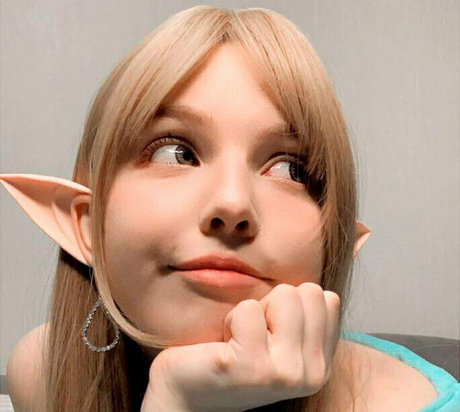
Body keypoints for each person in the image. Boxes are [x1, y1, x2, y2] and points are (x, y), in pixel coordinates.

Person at [1, 5, 459, 412]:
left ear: (333, 245)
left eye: (291, 169)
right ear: (83, 224)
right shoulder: (43, 374)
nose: (233, 203)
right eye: (176, 153)